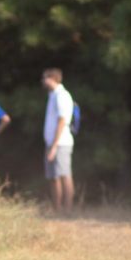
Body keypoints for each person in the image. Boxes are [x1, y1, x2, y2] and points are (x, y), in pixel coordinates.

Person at [42, 68, 75, 212]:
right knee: (53, 176)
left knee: (64, 174)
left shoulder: (62, 95)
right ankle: (57, 209)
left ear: (52, 79)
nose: (42, 81)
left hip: (61, 143)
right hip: (52, 143)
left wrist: (54, 145)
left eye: (44, 78)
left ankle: (67, 209)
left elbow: (62, 120)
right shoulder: (52, 95)